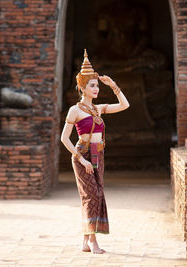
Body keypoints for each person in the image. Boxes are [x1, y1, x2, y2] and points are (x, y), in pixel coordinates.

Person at [60, 49, 130, 254]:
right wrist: (82, 160)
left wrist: (113, 85)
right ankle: (92, 241)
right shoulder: (76, 110)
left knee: (94, 195)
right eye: (92, 85)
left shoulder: (98, 109)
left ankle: (85, 240)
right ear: (82, 87)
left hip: (98, 153)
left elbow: (125, 105)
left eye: (97, 85)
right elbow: (64, 138)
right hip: (83, 154)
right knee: (93, 195)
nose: (96, 88)